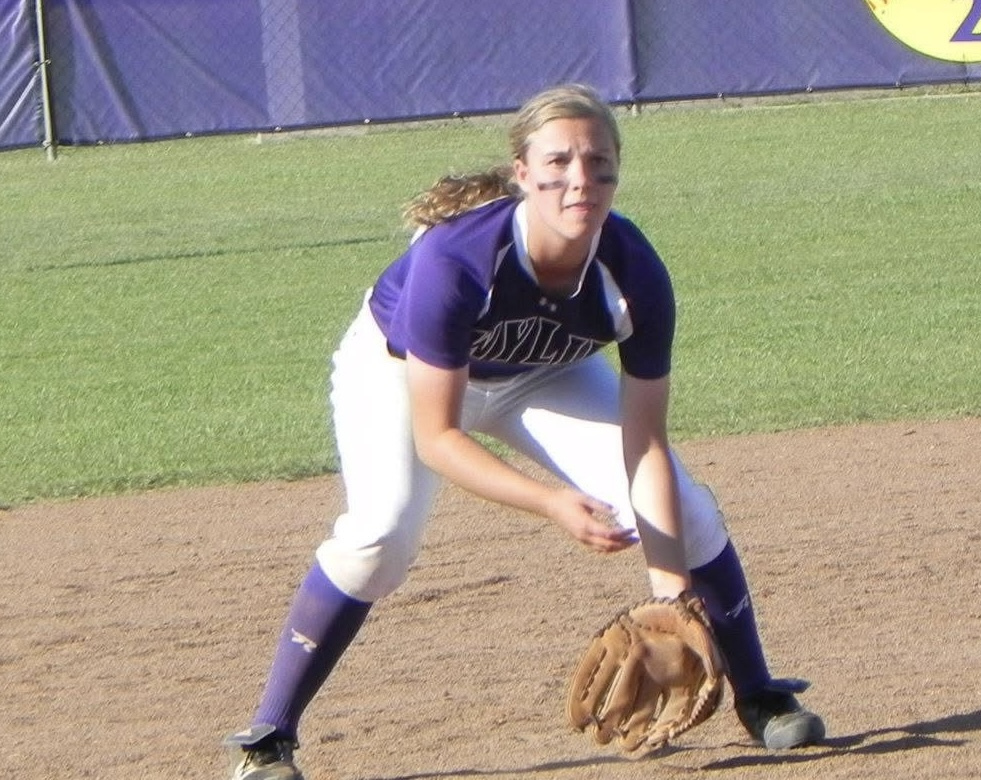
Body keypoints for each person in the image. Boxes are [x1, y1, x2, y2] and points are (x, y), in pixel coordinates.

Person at [225, 83, 825, 780]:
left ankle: (759, 694)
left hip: (545, 376)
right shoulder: (456, 263)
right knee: (379, 537)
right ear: (522, 173)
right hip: (397, 376)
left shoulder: (633, 274)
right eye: (560, 162)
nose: (581, 180)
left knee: (685, 509)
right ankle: (269, 737)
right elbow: (439, 437)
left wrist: (669, 600)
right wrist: (550, 501)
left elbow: (645, 443)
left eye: (599, 163)